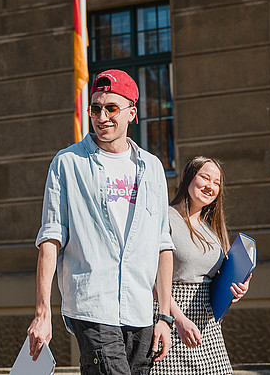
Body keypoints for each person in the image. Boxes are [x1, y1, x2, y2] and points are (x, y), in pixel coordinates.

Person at [28, 69, 175, 375]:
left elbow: (162, 244)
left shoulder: (152, 168)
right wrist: (43, 312)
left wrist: (164, 316)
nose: (102, 116)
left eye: (112, 108)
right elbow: (51, 238)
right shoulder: (68, 162)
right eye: (95, 108)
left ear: (132, 113)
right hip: (93, 304)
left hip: (140, 310)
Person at [151, 157, 249, 375]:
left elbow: (216, 278)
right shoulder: (165, 218)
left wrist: (237, 287)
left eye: (216, 183)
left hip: (208, 326)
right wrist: (178, 319)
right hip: (170, 317)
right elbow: (151, 277)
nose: (210, 186)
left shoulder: (213, 228)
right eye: (205, 177)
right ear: (187, 178)